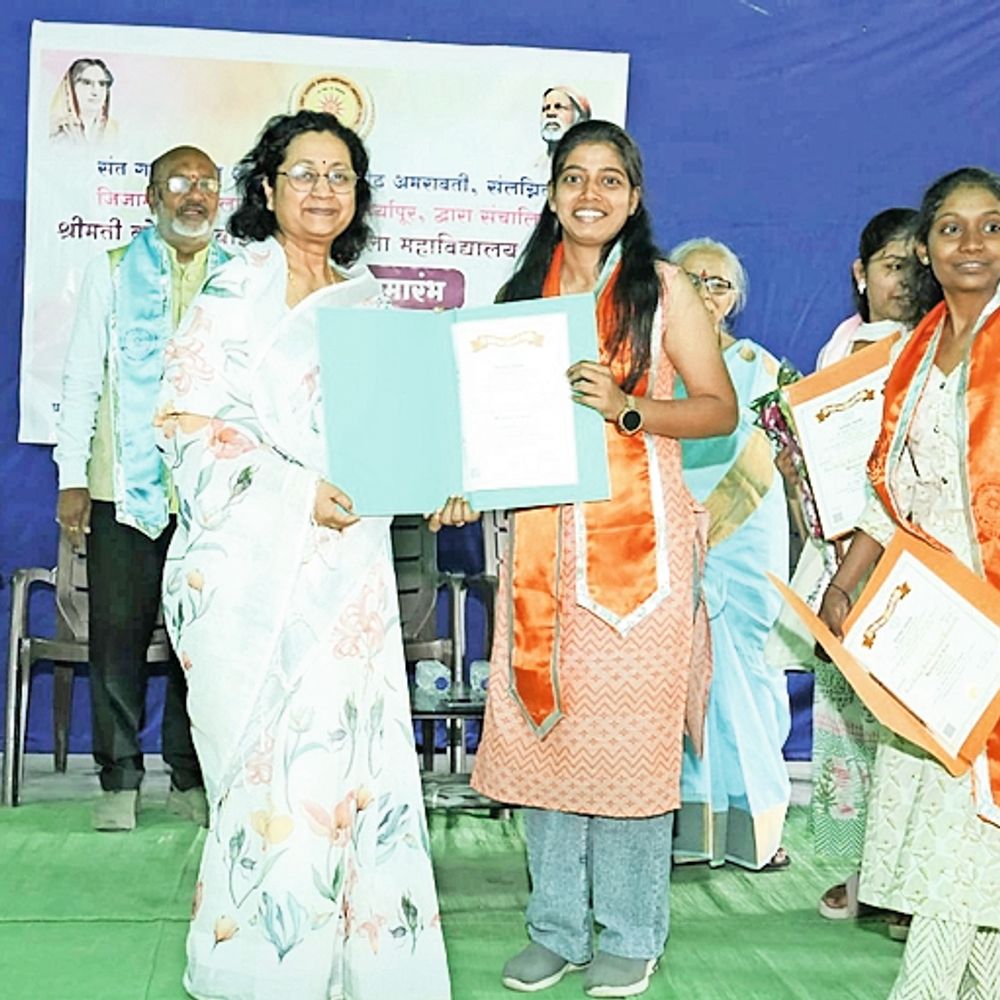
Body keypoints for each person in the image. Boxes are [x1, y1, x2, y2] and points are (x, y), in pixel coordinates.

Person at [154, 111, 450, 1000]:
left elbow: (399, 435)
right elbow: (186, 427)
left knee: (351, 772)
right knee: (273, 781)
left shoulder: (368, 303)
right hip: (250, 572)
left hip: (348, 576)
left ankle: (365, 971)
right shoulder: (232, 290)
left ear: (358, 195)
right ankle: (263, 972)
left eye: (340, 175)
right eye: (305, 173)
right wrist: (294, 493)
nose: (323, 189)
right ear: (268, 187)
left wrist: (444, 477)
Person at [464, 120, 737, 998]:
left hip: (640, 560)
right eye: (574, 177)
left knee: (628, 750)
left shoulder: (664, 290)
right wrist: (460, 476)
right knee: (547, 736)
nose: (591, 194)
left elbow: (719, 409)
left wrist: (627, 406)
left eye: (610, 179)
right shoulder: (518, 298)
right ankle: (555, 928)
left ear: (634, 195)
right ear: (551, 194)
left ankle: (630, 931)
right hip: (540, 554)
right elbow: (482, 426)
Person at [818, 166, 1000, 999]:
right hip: (929, 622)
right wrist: (846, 582)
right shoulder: (914, 351)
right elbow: (887, 491)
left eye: (991, 226)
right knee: (955, 844)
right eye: (951, 227)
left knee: (967, 840)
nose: (972, 243)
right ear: (925, 247)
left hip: (990, 609)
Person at [53, 144, 224, 832]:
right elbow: (80, 377)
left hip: (213, 492)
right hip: (121, 485)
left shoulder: (241, 276)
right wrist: (72, 478)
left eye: (206, 183)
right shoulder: (113, 270)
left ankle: (191, 777)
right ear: (152, 198)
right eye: (179, 182)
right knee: (117, 637)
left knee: (201, 640)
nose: (194, 195)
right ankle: (119, 779)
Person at [765, 208, 923, 922]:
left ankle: (910, 881)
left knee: (913, 729)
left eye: (916, 266)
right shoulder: (838, 349)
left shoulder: (938, 345)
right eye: (891, 265)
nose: (904, 280)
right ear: (861, 274)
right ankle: (866, 872)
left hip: (912, 561)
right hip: (841, 559)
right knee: (852, 729)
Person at [668, 237, 792, 872]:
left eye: (718, 283)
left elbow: (786, 459)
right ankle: (688, 826)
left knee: (744, 671)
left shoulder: (761, 370)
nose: (705, 292)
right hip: (669, 541)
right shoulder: (651, 370)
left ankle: (754, 829)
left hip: (744, 541)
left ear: (735, 298)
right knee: (678, 677)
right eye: (692, 279)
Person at [49, 57, 117, 144]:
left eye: (102, 84)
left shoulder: (114, 130)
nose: (96, 92)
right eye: (87, 83)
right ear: (70, 88)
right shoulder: (57, 131)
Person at [539, 86, 591, 156]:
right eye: (546, 108)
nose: (550, 113)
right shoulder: (537, 162)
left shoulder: (590, 159)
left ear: (579, 118)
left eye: (558, 107)